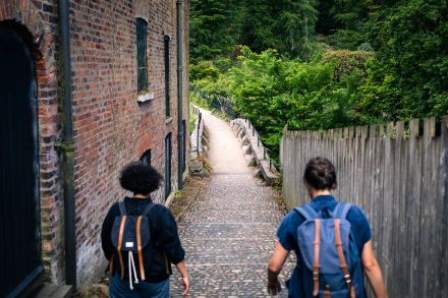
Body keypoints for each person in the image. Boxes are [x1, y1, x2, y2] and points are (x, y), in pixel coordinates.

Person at [267, 157, 387, 297]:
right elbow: (369, 265)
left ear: (306, 183)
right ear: (334, 184)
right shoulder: (354, 215)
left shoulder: (295, 218)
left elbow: (274, 266)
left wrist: (272, 281)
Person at [101, 162, 189, 297]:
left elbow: (106, 242)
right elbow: (173, 247)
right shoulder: (160, 213)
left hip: (122, 276)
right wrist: (184, 274)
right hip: (154, 277)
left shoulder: (116, 209)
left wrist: (120, 260)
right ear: (153, 185)